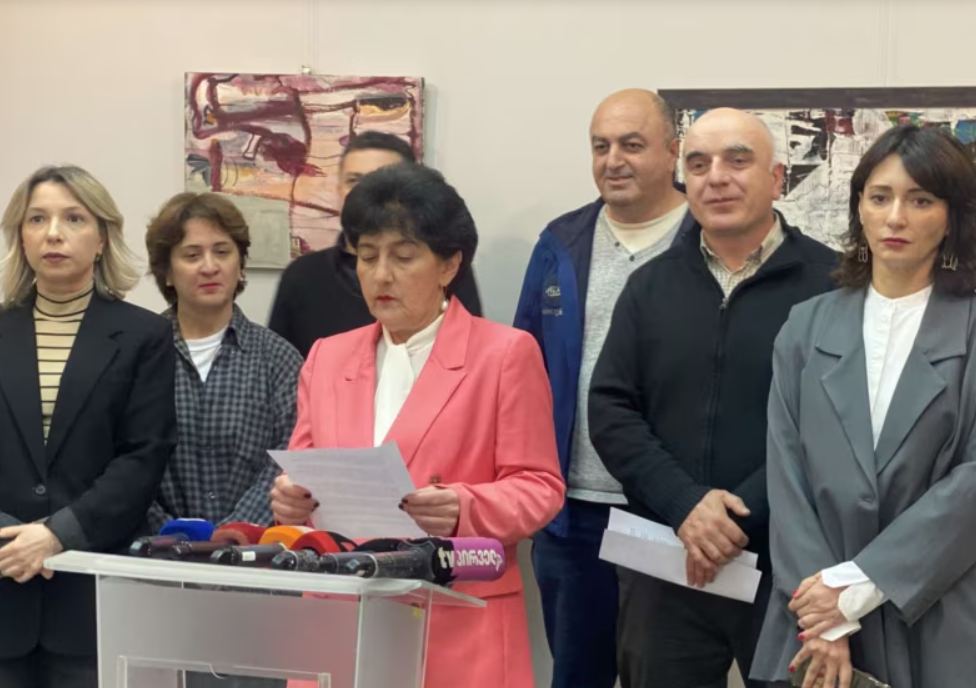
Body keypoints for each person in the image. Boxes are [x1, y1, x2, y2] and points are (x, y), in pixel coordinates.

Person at [752, 124, 976, 688]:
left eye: (920, 200)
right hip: (816, 621)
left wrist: (851, 591)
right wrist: (826, 619)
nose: (896, 217)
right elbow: (787, 481)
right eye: (879, 197)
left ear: (952, 216)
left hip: (941, 609)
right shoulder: (805, 328)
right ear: (860, 207)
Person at [269, 162, 564, 688]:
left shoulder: (504, 354)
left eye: (403, 257)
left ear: (449, 264)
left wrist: (465, 507)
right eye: (367, 256)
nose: (381, 275)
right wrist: (292, 501)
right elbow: (306, 472)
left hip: (456, 615)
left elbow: (540, 487)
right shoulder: (326, 357)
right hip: (344, 613)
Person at [588, 108, 839, 688]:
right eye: (698, 164)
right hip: (668, 561)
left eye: (737, 160)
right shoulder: (650, 285)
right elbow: (610, 410)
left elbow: (834, 429)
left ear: (776, 178)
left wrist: (734, 518)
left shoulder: (832, 286)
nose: (716, 177)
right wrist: (686, 506)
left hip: (791, 567)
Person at [0, 165, 177, 688]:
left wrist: (58, 535)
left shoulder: (143, 335)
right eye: (37, 219)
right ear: (20, 236)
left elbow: (143, 456)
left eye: (73, 218)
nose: (54, 233)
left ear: (102, 238)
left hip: (90, 592)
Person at [513, 87, 693, 688]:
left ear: (672, 151)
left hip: (672, 513)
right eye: (600, 146)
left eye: (632, 145)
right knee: (576, 676)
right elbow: (524, 370)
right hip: (574, 514)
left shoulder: (706, 237)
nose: (613, 160)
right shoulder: (559, 243)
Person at [144, 191, 303, 533]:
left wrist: (229, 536)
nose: (209, 266)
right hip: (151, 551)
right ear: (166, 272)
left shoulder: (279, 359)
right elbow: (123, 461)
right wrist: (173, 536)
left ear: (239, 263)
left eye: (222, 251)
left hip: (254, 553)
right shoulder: (138, 353)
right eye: (191, 255)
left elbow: (288, 460)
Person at [267, 130, 483, 358]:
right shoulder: (303, 276)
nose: (368, 194)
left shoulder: (443, 267)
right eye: (354, 181)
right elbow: (280, 364)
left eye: (403, 257)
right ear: (338, 189)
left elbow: (473, 353)